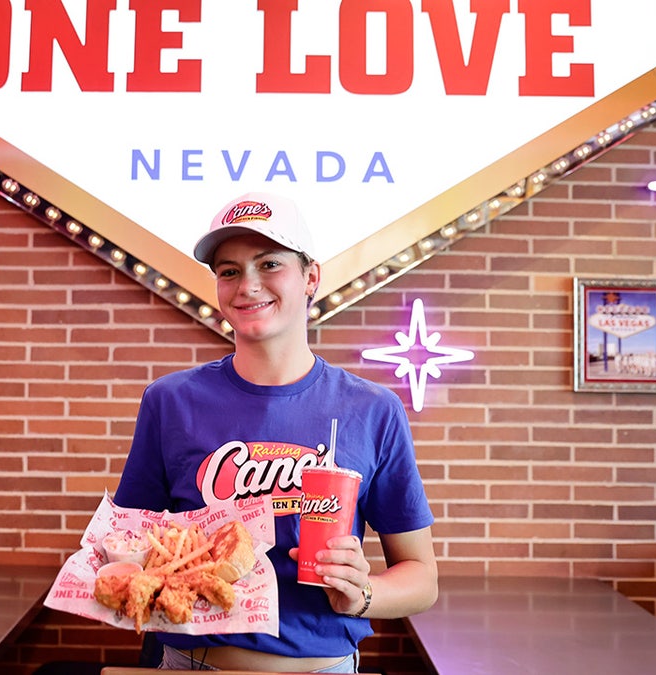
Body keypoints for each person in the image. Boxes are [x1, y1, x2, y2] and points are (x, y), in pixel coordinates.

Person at [113, 192, 438, 673]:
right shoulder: (169, 401)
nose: (247, 285)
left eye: (269, 264)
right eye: (229, 271)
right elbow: (123, 546)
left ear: (311, 277)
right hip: (191, 663)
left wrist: (361, 593)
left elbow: (421, 578)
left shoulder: (372, 410)